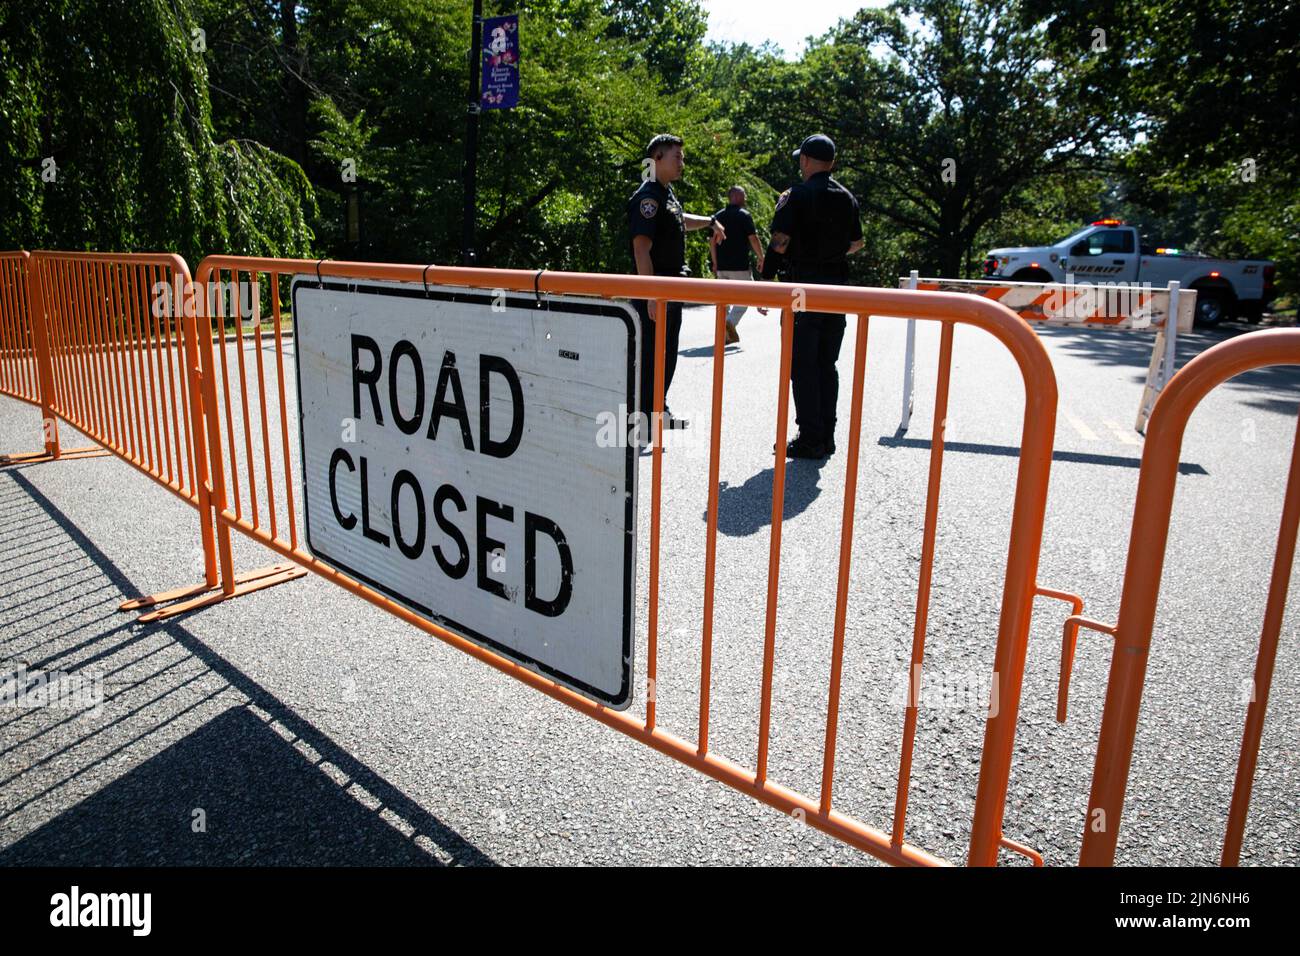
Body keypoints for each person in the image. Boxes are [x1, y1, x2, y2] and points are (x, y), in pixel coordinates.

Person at [760, 134, 864, 459]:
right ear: (831, 163)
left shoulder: (797, 195)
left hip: (801, 291)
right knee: (826, 364)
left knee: (802, 364)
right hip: (835, 291)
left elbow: (779, 242)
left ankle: (810, 439)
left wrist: (764, 283)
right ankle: (827, 436)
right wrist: (830, 254)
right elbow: (858, 243)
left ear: (805, 160)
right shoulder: (847, 197)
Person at [627, 133, 725, 431]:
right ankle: (643, 417)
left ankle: (658, 409)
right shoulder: (648, 196)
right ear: (657, 158)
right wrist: (651, 294)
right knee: (651, 354)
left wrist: (709, 221)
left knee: (666, 352)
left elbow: (681, 221)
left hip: (670, 289)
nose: (682, 162)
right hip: (657, 289)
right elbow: (641, 247)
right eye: (677, 157)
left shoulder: (666, 194)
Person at [708, 186, 766, 344]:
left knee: (723, 302)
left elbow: (711, 242)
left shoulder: (717, 216)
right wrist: (761, 257)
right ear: (737, 197)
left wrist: (715, 262)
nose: (746, 198)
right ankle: (730, 324)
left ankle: (724, 334)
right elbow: (753, 238)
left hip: (722, 267)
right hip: (739, 267)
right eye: (744, 195)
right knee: (745, 299)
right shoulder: (744, 215)